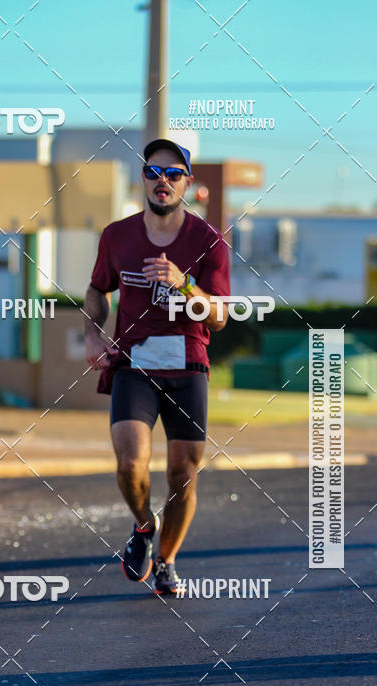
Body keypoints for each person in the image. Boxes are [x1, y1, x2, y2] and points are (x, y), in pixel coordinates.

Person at [84, 139, 230, 594]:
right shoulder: (117, 236)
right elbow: (97, 291)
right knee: (131, 464)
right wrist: (92, 335)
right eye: (152, 171)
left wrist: (184, 284)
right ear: (142, 179)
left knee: (183, 475)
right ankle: (144, 526)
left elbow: (219, 317)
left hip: (188, 367)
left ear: (187, 183)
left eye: (172, 173)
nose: (161, 180)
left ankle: (166, 561)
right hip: (134, 365)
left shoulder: (208, 241)